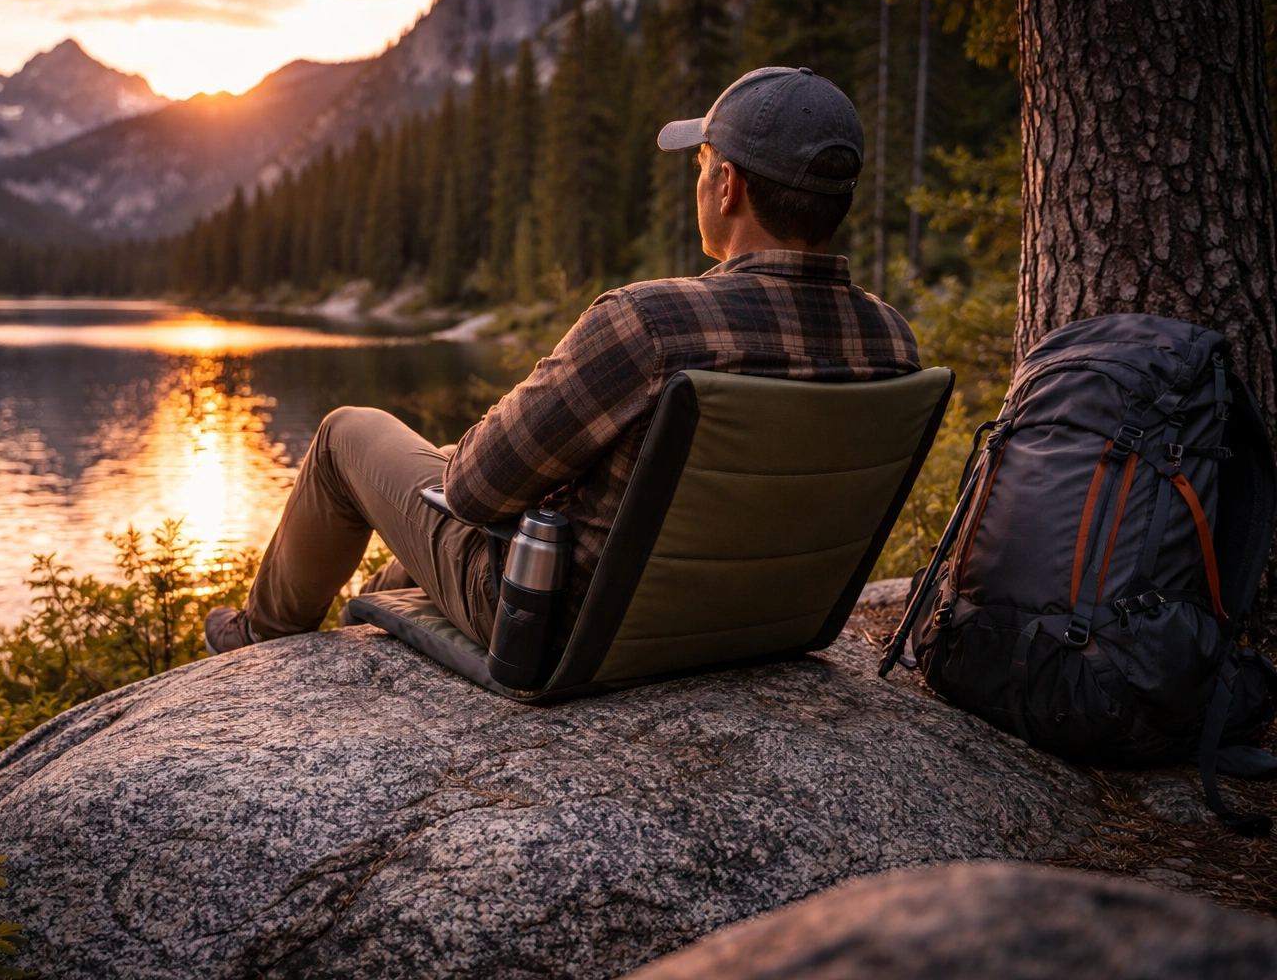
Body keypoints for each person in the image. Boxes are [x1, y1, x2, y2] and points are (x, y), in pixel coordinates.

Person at [204, 66, 921, 655]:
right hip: (762, 629)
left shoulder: (650, 323)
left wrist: (483, 455)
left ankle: (259, 641)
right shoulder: (892, 343)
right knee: (416, 539)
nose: (699, 182)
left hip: (571, 629)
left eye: (701, 165)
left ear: (728, 186)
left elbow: (476, 493)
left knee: (345, 434)